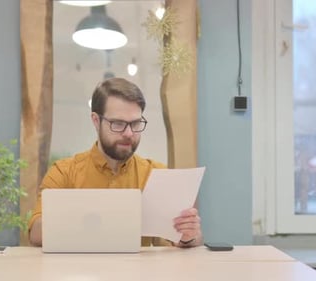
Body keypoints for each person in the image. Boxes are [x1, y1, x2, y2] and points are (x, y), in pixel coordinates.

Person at [28, 77, 202, 248]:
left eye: (135, 123)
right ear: (96, 121)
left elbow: (183, 241)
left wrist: (188, 236)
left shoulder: (157, 174)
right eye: (118, 124)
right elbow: (35, 233)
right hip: (79, 273)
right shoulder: (64, 172)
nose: (128, 133)